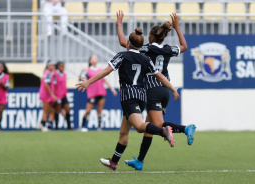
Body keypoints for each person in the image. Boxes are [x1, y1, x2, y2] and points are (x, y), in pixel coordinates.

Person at [76, 28, 180, 170]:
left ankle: (164, 131)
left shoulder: (122, 55)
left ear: (128, 44)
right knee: (124, 132)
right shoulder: (146, 59)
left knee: (138, 127)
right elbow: (160, 76)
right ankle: (114, 161)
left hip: (129, 97)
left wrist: (88, 81)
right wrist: (173, 88)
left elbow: (107, 70)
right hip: (142, 97)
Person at [116, 11, 196, 170]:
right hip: (165, 89)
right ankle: (139, 161)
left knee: (158, 125)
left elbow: (124, 42)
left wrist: (119, 24)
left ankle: (185, 128)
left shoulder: (146, 49)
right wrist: (178, 28)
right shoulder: (167, 49)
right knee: (148, 126)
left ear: (151, 37)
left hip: (152, 89)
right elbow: (184, 47)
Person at [79, 55, 117, 132]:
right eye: (94, 58)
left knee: (99, 111)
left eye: (96, 57)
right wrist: (81, 72)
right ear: (90, 61)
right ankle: (82, 126)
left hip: (101, 92)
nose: (96, 58)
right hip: (92, 94)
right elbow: (81, 79)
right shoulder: (87, 70)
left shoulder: (100, 70)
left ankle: (99, 127)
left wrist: (112, 89)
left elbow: (105, 81)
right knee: (88, 111)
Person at [39, 60, 57, 131]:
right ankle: (43, 125)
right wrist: (52, 95)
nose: (52, 67)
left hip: (47, 95)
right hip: (46, 95)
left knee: (51, 111)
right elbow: (46, 85)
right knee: (47, 111)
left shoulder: (48, 73)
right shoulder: (47, 73)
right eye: (51, 65)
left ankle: (44, 125)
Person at [54, 61, 72, 130]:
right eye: (61, 66)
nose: (62, 68)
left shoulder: (64, 74)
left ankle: (69, 126)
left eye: (63, 66)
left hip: (64, 95)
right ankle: (56, 126)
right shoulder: (55, 75)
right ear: (58, 67)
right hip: (58, 95)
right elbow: (54, 85)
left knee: (67, 109)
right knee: (57, 110)